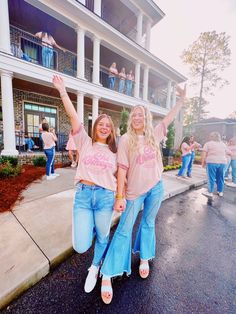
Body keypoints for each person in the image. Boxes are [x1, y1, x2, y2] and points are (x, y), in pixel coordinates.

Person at [100, 85, 186, 304]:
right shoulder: (125, 140)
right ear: (131, 118)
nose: (138, 117)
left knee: (148, 222)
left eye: (142, 114)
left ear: (146, 118)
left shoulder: (153, 135)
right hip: (133, 192)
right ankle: (108, 272)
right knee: (124, 229)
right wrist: (120, 196)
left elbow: (167, 119)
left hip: (156, 187)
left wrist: (181, 101)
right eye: (135, 114)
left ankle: (145, 257)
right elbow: (121, 170)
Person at [52, 74, 117, 294]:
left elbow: (124, 176)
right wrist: (63, 91)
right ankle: (89, 227)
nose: (104, 127)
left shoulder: (116, 151)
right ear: (95, 126)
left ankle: (95, 266)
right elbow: (73, 116)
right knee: (80, 246)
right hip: (83, 195)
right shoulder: (84, 141)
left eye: (108, 125)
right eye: (101, 123)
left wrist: (121, 197)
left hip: (105, 198)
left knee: (103, 236)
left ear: (111, 130)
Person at [201, 132, 231, 199]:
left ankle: (210, 192)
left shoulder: (208, 144)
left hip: (212, 162)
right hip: (222, 162)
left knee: (211, 177)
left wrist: (203, 163)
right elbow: (228, 152)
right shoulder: (223, 144)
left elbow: (204, 154)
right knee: (220, 177)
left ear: (211, 137)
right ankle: (220, 192)